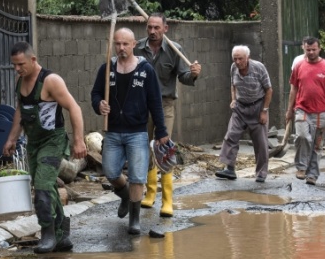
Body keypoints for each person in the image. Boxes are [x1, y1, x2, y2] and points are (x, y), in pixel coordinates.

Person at [3, 41, 87, 254]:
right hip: (34, 142)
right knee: (46, 186)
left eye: (20, 64)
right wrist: (12, 139)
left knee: (42, 184)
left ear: (33, 60)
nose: (17, 69)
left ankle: (48, 234)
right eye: (14, 65)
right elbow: (20, 111)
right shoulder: (20, 81)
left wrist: (79, 140)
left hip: (53, 141)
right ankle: (62, 235)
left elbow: (74, 108)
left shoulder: (51, 81)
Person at [91, 28, 169, 235]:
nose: (121, 48)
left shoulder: (146, 70)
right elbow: (96, 93)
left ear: (134, 44)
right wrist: (99, 104)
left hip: (137, 132)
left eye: (125, 44)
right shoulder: (107, 68)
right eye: (117, 44)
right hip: (113, 132)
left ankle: (134, 220)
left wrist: (161, 131)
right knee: (110, 171)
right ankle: (125, 195)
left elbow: (155, 102)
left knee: (137, 177)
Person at [133, 12, 201, 218]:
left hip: (165, 105)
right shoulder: (138, 48)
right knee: (145, 147)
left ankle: (167, 200)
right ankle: (150, 193)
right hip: (141, 106)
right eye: (149, 27)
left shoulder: (174, 50)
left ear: (165, 28)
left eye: (156, 28)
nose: (152, 31)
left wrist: (194, 74)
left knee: (164, 148)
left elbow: (184, 77)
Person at [215, 45, 272, 182]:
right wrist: (233, 99)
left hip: (257, 106)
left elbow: (269, 90)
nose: (237, 62)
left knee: (261, 143)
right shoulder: (233, 67)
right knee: (231, 135)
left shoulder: (259, 68)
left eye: (240, 59)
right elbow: (233, 85)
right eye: (235, 59)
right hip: (240, 107)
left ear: (248, 58)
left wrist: (264, 111)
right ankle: (229, 168)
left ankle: (261, 173)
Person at [285, 36, 325, 185]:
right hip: (302, 110)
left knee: (317, 145)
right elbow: (293, 89)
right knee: (302, 136)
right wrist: (289, 110)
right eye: (308, 50)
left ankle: (312, 175)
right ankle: (301, 167)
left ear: (319, 49)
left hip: (322, 113)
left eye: (314, 49)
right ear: (303, 48)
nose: (311, 52)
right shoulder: (298, 66)